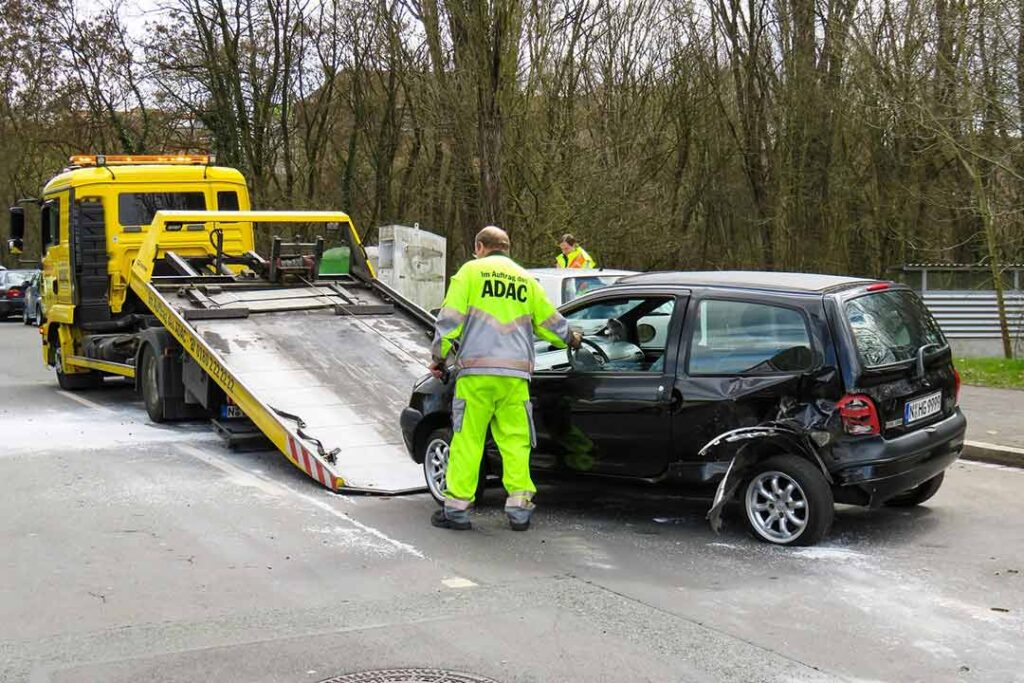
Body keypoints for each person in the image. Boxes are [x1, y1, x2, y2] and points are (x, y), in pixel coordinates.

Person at [430, 225, 581, 531]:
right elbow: (551, 322)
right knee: (516, 442)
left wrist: (439, 357)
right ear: (507, 249)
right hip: (515, 377)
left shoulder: (470, 273)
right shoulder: (526, 280)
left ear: (479, 247)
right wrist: (572, 337)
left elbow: (450, 321)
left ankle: (457, 510)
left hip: (477, 375)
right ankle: (519, 509)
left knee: (468, 440)